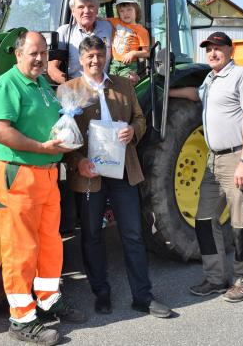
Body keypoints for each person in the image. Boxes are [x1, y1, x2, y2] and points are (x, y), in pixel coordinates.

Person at [0, 31, 86, 345]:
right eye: (33, 53)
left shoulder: (44, 84)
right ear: (18, 54)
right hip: (18, 175)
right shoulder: (5, 86)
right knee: (20, 248)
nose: (40, 58)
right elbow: (0, 132)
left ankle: (47, 299)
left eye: (44, 53)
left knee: (49, 242)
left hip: (46, 175)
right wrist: (42, 148)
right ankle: (22, 318)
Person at [63, 35, 172, 318]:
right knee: (91, 236)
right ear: (81, 59)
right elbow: (62, 135)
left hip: (123, 171)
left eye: (100, 56)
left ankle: (142, 297)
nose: (95, 61)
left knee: (133, 234)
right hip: (90, 174)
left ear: (107, 56)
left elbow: (140, 118)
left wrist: (133, 131)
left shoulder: (123, 86)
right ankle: (101, 293)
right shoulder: (68, 90)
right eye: (90, 57)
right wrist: (78, 162)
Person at [169, 31, 243, 303]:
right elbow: (195, 96)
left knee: (241, 224)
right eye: (209, 49)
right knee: (204, 220)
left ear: (230, 50)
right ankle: (215, 277)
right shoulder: (210, 79)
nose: (212, 53)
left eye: (218, 48)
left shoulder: (242, 75)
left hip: (236, 158)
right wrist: (167, 93)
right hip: (213, 160)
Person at [49, 0, 113, 83]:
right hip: (76, 88)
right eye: (81, 7)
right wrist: (74, 86)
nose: (86, 11)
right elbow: (51, 68)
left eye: (91, 6)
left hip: (105, 87)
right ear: (73, 12)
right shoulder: (64, 32)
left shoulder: (108, 27)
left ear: (97, 10)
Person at [106, 0, 150, 84]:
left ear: (136, 10)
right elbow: (99, 20)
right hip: (114, 64)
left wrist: (133, 53)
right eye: (122, 11)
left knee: (126, 85)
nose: (125, 13)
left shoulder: (141, 30)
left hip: (128, 66)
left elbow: (146, 53)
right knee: (112, 87)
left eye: (129, 10)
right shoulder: (116, 22)